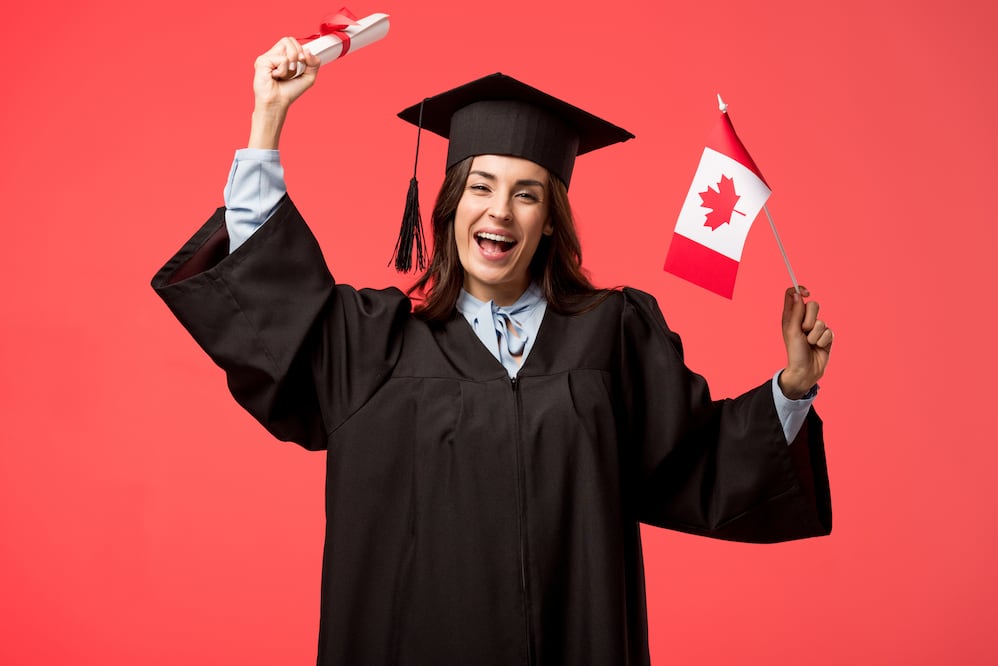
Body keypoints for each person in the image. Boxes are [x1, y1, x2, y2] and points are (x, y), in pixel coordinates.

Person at [152, 38, 833, 666]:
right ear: (449, 207)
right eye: (480, 186)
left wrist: (792, 388)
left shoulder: (613, 335)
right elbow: (273, 307)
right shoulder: (372, 343)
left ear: (549, 220)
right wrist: (266, 120)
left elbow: (694, 461)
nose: (500, 212)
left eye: (526, 193)